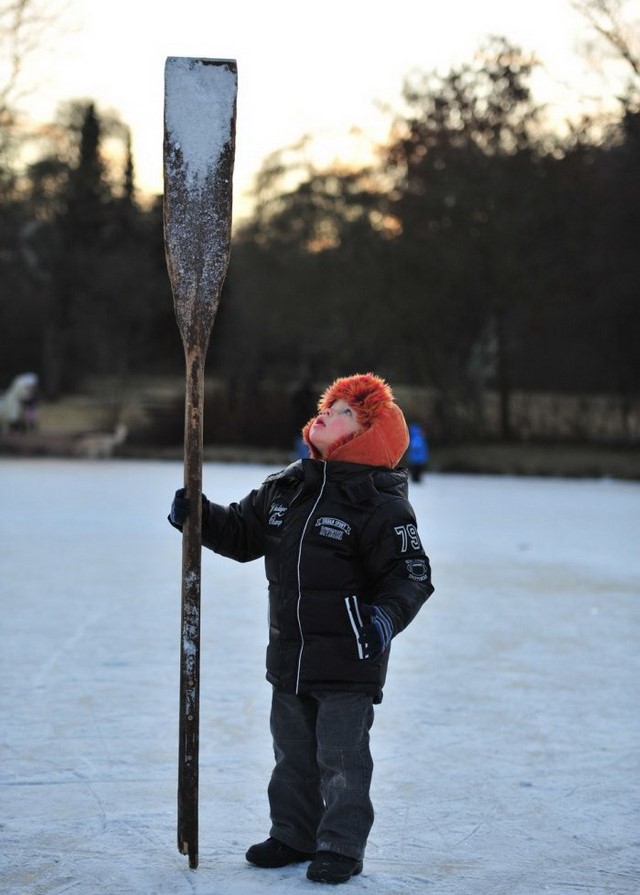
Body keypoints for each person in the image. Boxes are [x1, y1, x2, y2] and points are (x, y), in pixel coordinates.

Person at [169, 373, 434, 884]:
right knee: (291, 753)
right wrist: (199, 517)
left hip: (349, 658)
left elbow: (412, 574)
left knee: (340, 757)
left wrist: (383, 618)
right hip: (290, 656)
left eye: (344, 414)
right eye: (328, 406)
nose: (327, 415)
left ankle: (340, 844)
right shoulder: (288, 486)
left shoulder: (380, 503)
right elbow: (244, 533)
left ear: (367, 436)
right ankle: (293, 833)